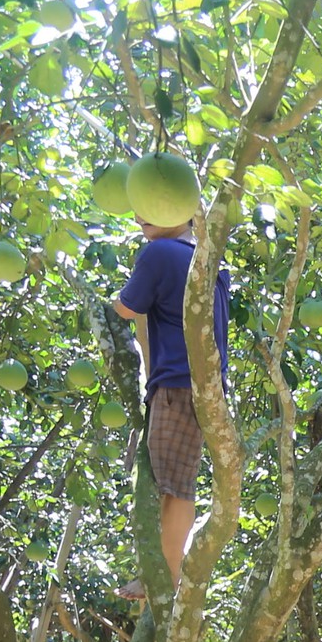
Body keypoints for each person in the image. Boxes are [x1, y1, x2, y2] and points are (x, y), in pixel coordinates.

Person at [110, 214, 229, 600]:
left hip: (178, 382)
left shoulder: (160, 253)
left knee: (174, 487)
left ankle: (165, 576)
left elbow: (126, 309)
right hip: (205, 385)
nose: (138, 216)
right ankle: (166, 572)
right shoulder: (210, 261)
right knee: (175, 483)